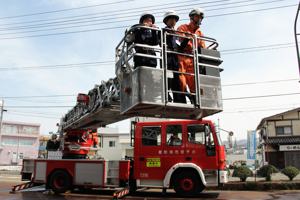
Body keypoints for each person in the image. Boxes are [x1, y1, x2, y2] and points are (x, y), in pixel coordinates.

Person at [177, 8, 206, 104]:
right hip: (182, 56)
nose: (199, 19)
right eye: (197, 17)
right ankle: (186, 96)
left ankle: (195, 100)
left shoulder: (200, 33)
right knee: (182, 81)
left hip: (193, 59)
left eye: (200, 18)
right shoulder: (183, 27)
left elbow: (202, 46)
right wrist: (189, 41)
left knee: (194, 81)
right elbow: (180, 40)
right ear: (192, 17)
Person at [163, 10, 186, 103]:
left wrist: (186, 41)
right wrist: (169, 33)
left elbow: (179, 47)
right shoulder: (163, 31)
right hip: (167, 58)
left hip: (176, 60)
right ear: (166, 21)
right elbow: (160, 41)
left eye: (175, 19)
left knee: (177, 80)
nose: (173, 21)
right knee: (168, 78)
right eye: (171, 19)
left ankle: (179, 100)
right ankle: (166, 97)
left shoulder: (176, 35)